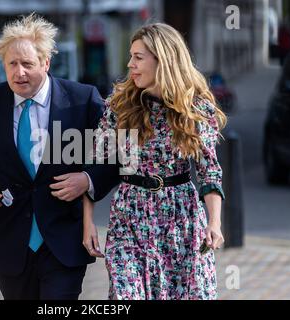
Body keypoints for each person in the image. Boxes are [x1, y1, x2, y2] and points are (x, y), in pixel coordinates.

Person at [0, 13, 112, 300]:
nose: (19, 73)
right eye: (12, 64)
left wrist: (87, 179)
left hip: (65, 239)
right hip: (9, 241)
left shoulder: (83, 99)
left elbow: (116, 156)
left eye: (27, 64)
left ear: (46, 63)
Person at [82, 22, 227, 300]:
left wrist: (214, 222)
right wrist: (87, 222)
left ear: (163, 59)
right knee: (127, 296)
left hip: (181, 219)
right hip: (130, 217)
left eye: (138, 57)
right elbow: (93, 165)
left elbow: (210, 173)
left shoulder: (197, 110)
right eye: (130, 56)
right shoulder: (119, 106)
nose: (130, 64)